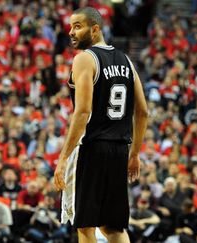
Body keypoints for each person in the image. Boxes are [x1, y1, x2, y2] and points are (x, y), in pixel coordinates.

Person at [53, 7, 148, 243]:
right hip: (119, 150)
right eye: (70, 27)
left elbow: (83, 111)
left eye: (78, 26)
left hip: (91, 148)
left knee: (85, 225)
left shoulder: (85, 58)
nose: (72, 32)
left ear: (95, 29)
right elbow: (143, 111)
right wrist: (134, 153)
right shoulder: (126, 60)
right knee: (112, 227)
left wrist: (63, 157)